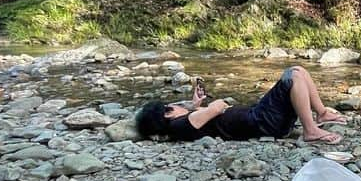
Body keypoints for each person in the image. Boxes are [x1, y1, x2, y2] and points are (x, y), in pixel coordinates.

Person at [134, 66, 345, 144]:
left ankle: (322, 113)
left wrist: (196, 105)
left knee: (298, 71)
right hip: (263, 121)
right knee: (292, 77)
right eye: (173, 105)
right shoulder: (179, 125)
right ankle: (311, 130)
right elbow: (218, 107)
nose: (179, 106)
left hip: (261, 119)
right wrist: (208, 106)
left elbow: (203, 120)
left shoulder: (182, 124)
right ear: (168, 114)